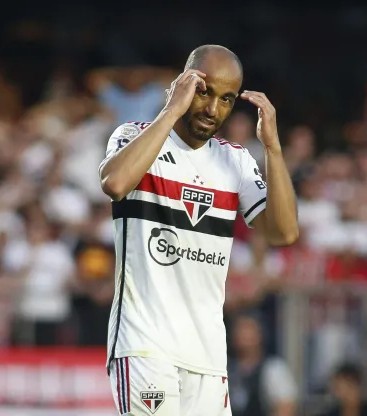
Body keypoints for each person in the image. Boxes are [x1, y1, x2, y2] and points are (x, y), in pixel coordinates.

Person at [98, 44, 299, 415]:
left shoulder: (235, 160)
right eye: (204, 91)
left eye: (226, 99)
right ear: (183, 84)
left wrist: (272, 148)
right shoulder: (134, 135)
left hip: (207, 356)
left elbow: (284, 233)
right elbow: (114, 183)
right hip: (145, 345)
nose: (212, 109)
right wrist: (172, 108)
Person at [228, 314, 298, 416]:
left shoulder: (273, 369)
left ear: (259, 335)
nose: (242, 334)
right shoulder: (227, 369)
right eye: (239, 330)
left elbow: (286, 407)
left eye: (247, 329)